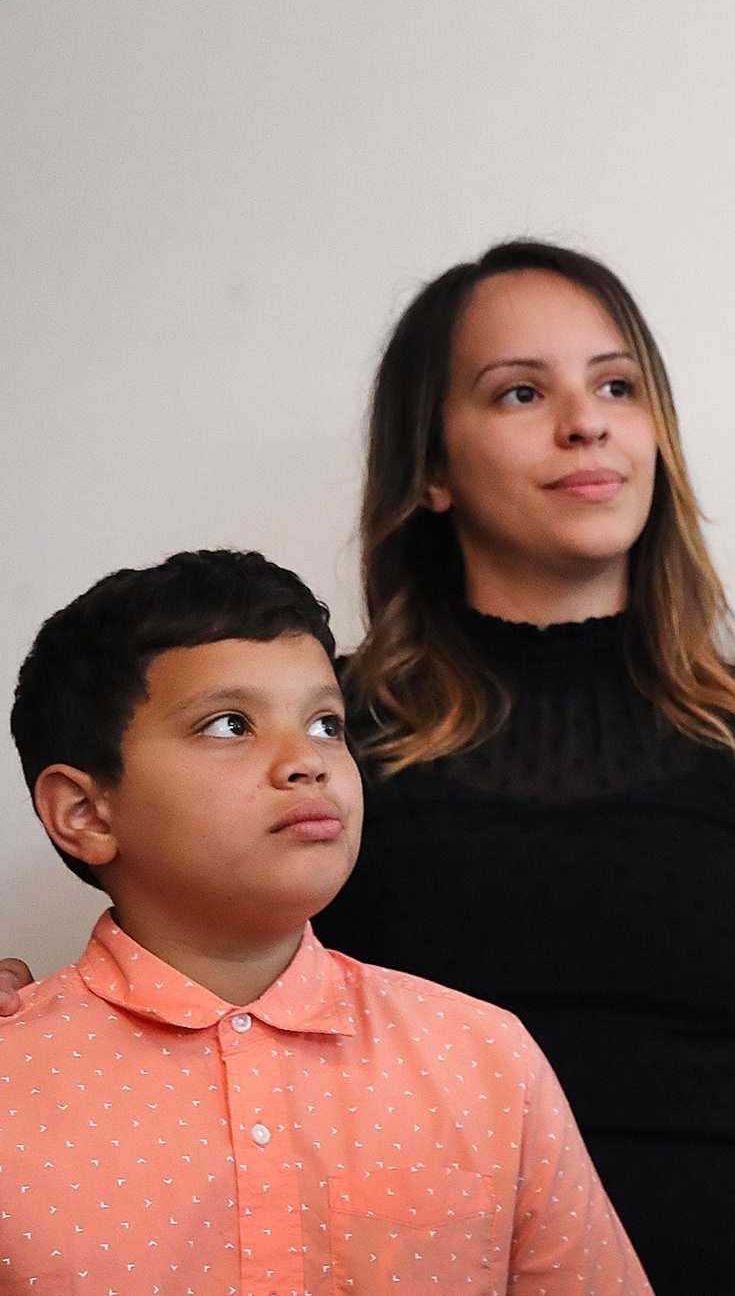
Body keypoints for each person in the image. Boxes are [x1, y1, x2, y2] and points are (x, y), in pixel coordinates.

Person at [0, 241, 735, 1289]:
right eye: (520, 391)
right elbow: (203, 997)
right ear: (431, 467)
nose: (584, 421)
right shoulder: (320, 741)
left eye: (618, 385)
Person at [2, 549, 648, 1293]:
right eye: (229, 724)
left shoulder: (486, 1061)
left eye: (326, 724)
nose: (305, 761)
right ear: (85, 812)